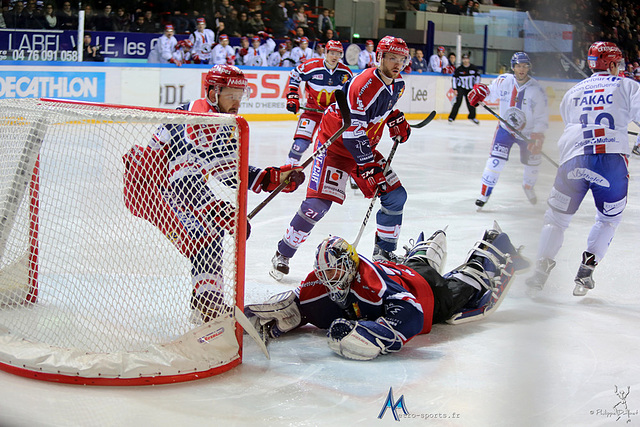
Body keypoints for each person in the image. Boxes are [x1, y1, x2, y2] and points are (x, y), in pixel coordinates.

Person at [122, 65, 305, 323]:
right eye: (231, 94)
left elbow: (231, 172)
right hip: (149, 188)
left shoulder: (222, 122)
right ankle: (207, 304)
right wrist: (218, 211)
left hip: (171, 186)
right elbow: (183, 179)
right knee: (202, 236)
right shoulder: (197, 119)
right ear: (213, 92)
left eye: (240, 94)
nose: (237, 101)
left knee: (209, 233)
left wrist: (272, 178)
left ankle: (206, 301)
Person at [247, 224, 529, 360]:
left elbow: (412, 315)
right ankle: (425, 249)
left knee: (462, 285)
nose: (329, 280)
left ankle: (489, 248)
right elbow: (300, 300)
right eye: (325, 274)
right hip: (404, 271)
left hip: (428, 292)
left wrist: (369, 333)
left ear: (349, 266)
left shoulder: (372, 286)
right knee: (415, 265)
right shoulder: (322, 280)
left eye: (334, 272)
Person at [270, 36, 412, 280]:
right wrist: (368, 166)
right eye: (391, 58)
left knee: (396, 195)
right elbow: (353, 129)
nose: (397, 63)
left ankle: (384, 254)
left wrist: (393, 117)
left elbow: (378, 110)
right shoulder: (365, 83)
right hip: (335, 147)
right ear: (379, 57)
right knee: (317, 206)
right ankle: (282, 253)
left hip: (361, 147)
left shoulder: (397, 84)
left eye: (401, 59)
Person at [526, 42, 640, 296]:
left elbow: (571, 125)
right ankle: (586, 271)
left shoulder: (574, 91)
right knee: (609, 219)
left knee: (555, 220)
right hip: (610, 163)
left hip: (573, 159)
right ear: (611, 64)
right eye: (618, 63)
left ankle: (540, 271)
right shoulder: (627, 85)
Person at [467, 51, 548, 208]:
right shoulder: (504, 80)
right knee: (495, 162)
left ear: (529, 67)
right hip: (505, 130)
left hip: (528, 134)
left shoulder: (536, 89)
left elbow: (542, 115)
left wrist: (538, 135)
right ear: (513, 67)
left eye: (524, 66)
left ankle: (528, 187)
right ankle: (484, 194)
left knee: (533, 166)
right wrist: (481, 93)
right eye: (518, 66)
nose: (521, 69)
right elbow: (489, 92)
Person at [283, 40, 353, 166]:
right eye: (332, 53)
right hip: (312, 112)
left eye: (338, 54)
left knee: (340, 146)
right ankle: (289, 167)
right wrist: (293, 96)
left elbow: (350, 94)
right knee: (300, 143)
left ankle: (351, 171)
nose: (335, 57)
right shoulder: (312, 65)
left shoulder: (345, 73)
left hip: (333, 115)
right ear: (325, 52)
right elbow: (295, 75)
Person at [448, 53, 481, 124]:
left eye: (466, 59)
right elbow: (454, 79)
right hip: (461, 88)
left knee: (472, 102)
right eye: (464, 59)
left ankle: (472, 117)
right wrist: (455, 89)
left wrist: (476, 88)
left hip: (470, 88)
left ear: (468, 59)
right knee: (458, 102)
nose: (465, 60)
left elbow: (478, 78)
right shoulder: (459, 69)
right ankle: (451, 117)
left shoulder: (474, 68)